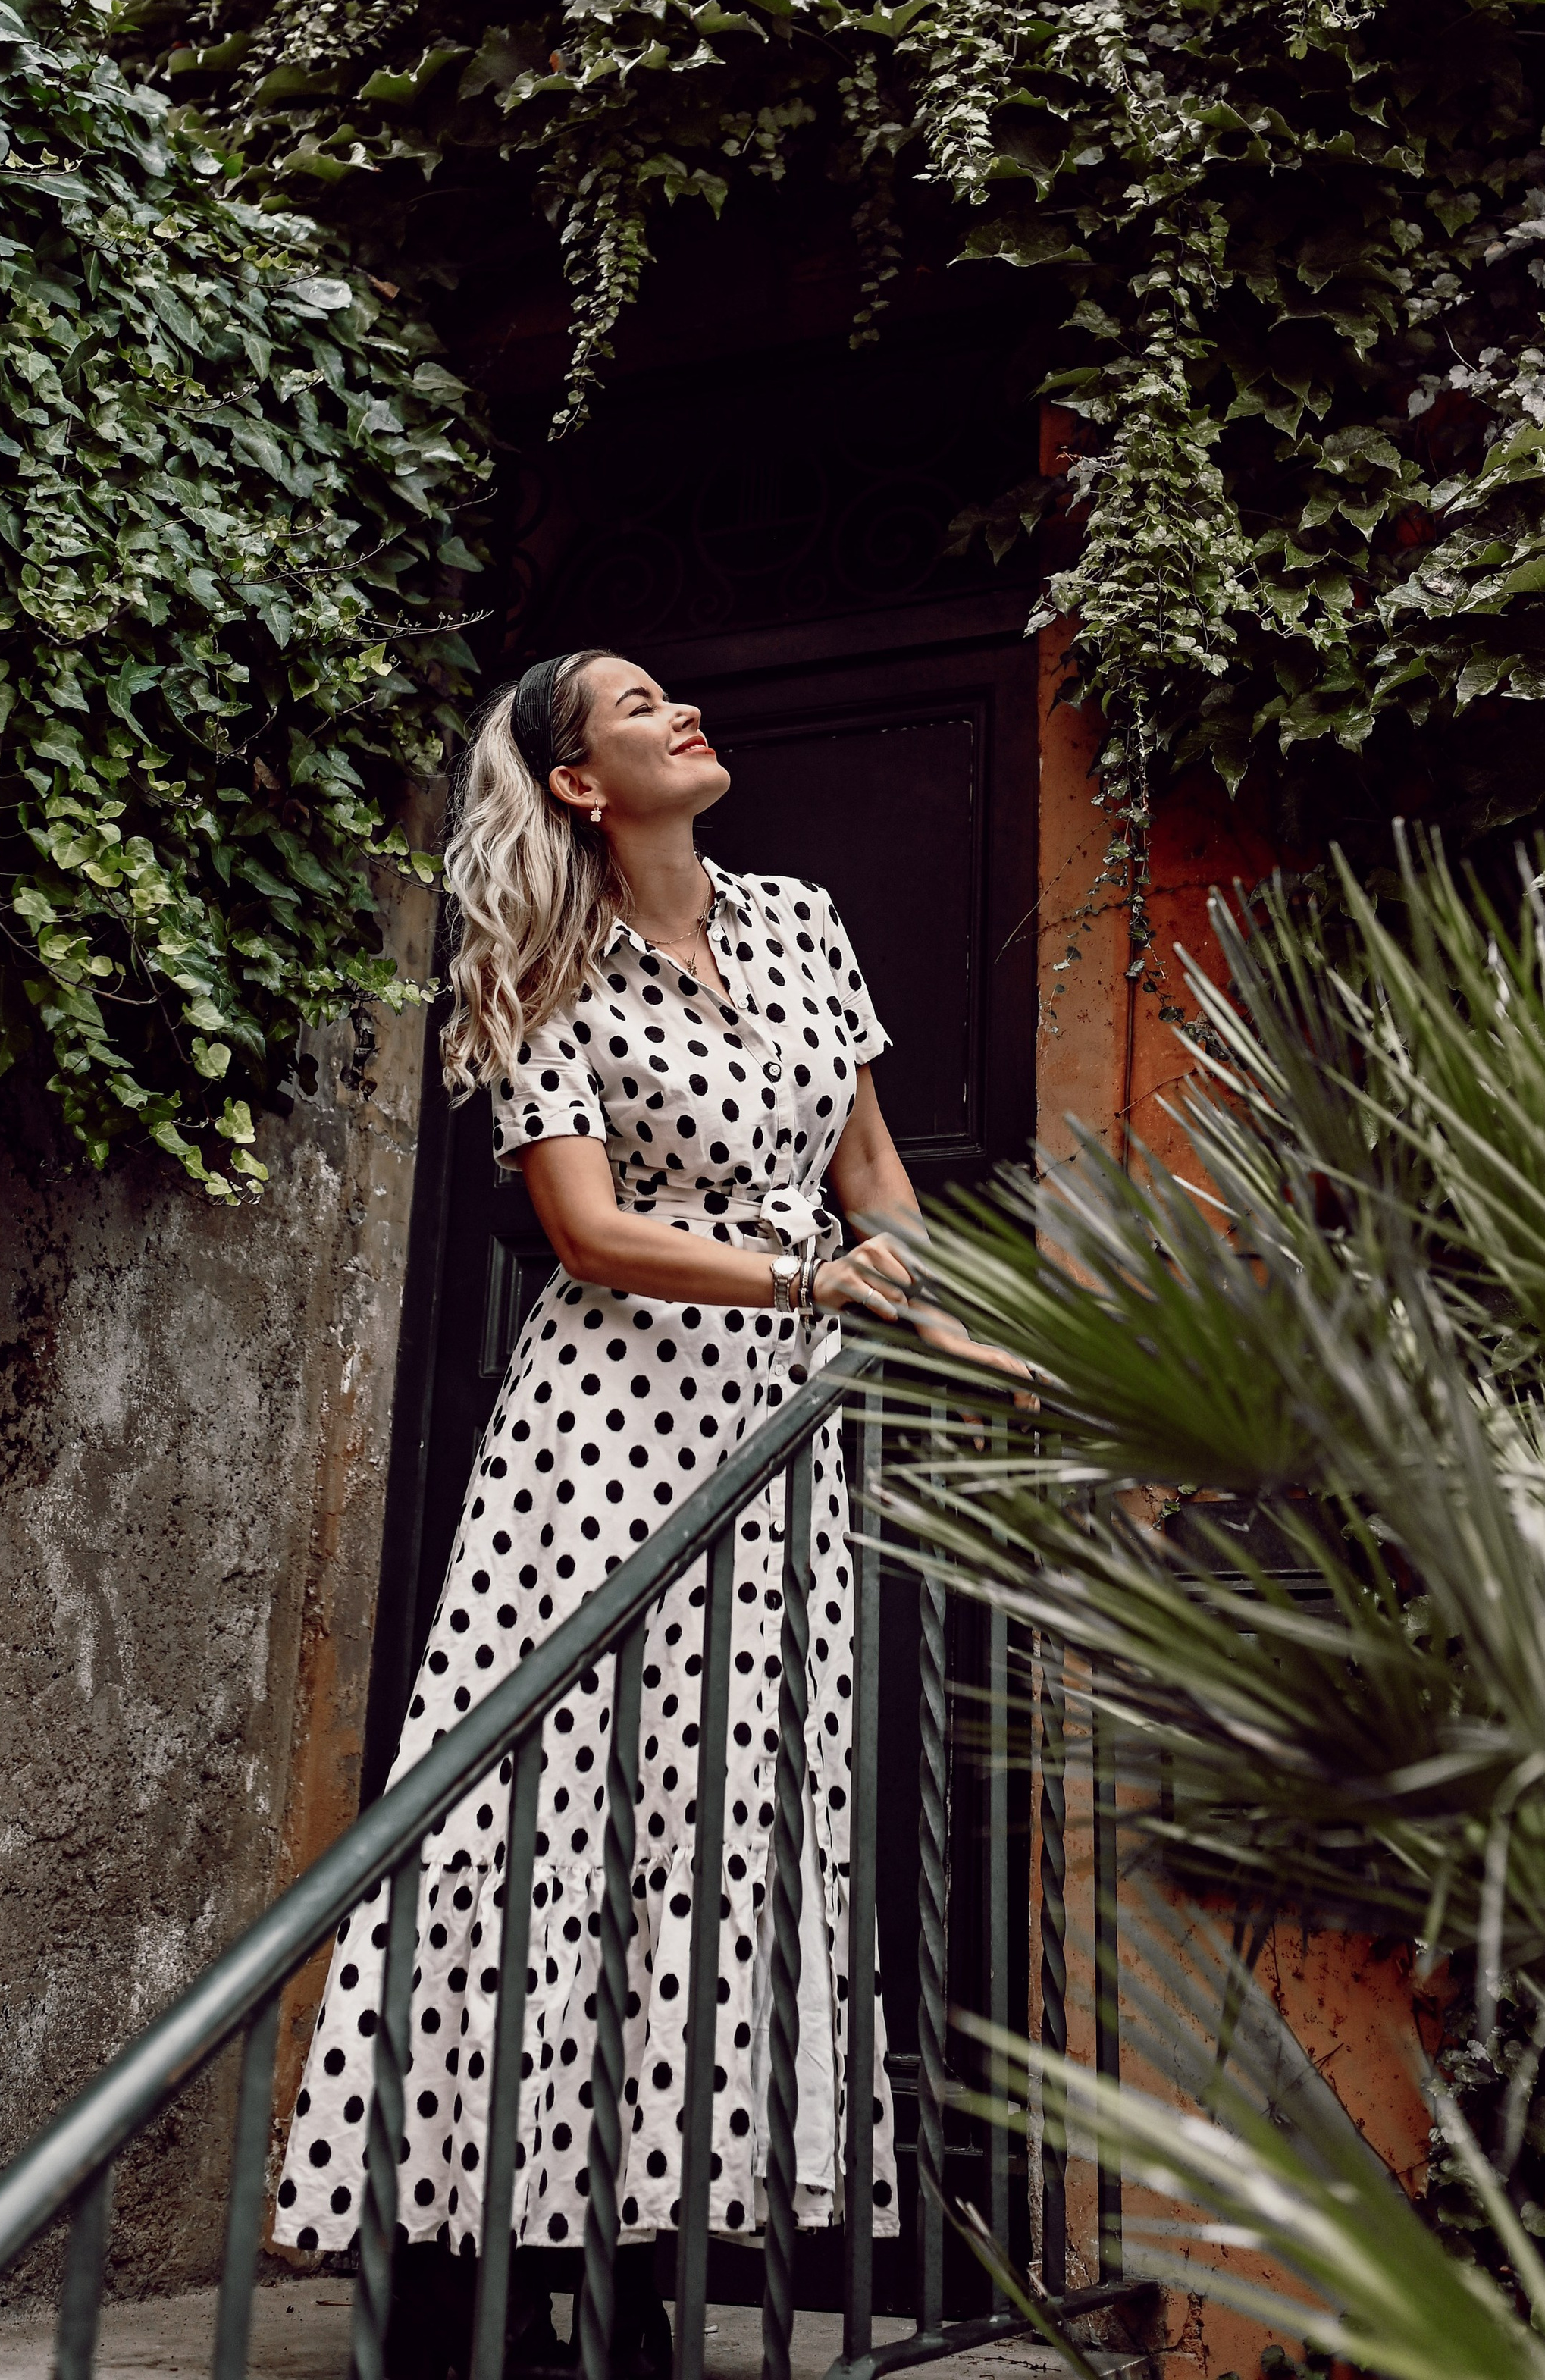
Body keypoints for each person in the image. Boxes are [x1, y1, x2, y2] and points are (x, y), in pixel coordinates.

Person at [274, 648, 964, 2378]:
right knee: (544, 1816)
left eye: (676, 697)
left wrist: (940, 1310)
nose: (683, 714)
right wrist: (814, 1277)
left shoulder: (804, 920)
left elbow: (870, 1172)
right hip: (603, 1425)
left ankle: (635, 2252)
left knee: (717, 1822)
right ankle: (456, 2251)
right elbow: (585, 1232)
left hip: (774, 1427)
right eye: (638, 708)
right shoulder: (531, 963)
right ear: (577, 782)